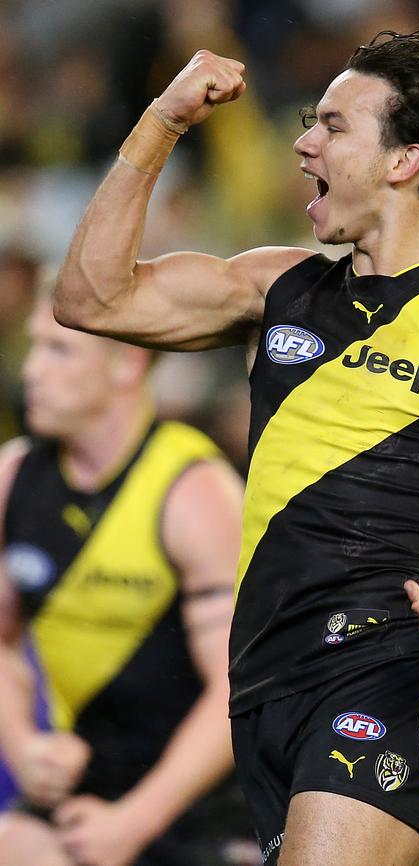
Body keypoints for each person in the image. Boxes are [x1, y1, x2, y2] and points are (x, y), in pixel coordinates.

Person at [53, 29, 419, 866]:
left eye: (332, 126)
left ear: (405, 160)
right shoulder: (279, 285)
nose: (303, 142)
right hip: (260, 683)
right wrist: (161, 121)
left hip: (379, 669)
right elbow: (89, 298)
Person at [0, 291, 258, 866]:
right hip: (86, 787)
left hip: (204, 801)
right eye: (35, 347)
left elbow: (237, 686)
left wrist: (135, 821)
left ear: (126, 366)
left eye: (59, 351)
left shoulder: (193, 493)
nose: (32, 370)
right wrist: (24, 748)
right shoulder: (14, 477)